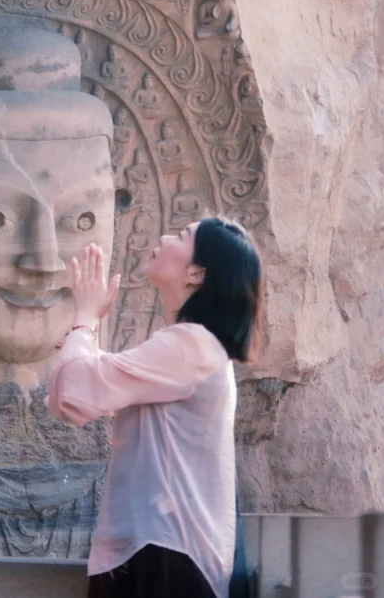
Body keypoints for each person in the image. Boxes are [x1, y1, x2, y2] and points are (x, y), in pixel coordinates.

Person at [47, 218, 262, 598]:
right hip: (156, 552)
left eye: (181, 237)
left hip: (165, 557)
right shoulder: (191, 348)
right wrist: (86, 332)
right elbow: (69, 398)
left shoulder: (191, 345)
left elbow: (74, 391)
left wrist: (85, 317)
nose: (163, 237)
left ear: (196, 272)